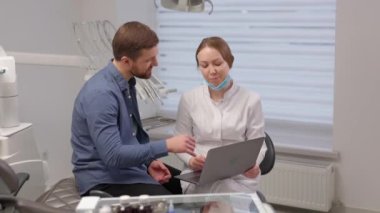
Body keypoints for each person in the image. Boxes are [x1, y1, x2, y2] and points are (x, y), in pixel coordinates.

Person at [71, 21, 196, 197]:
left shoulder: (127, 82)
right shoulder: (101, 94)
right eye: (149, 60)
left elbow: (130, 139)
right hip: (104, 178)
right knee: (171, 206)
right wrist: (167, 145)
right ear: (126, 61)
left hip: (128, 169)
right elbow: (113, 155)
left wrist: (148, 162)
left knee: (191, 188)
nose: (157, 63)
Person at [175, 36, 267, 194]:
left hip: (238, 178)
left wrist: (253, 165)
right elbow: (179, 141)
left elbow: (258, 144)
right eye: (204, 65)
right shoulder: (189, 99)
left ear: (229, 62)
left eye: (217, 63)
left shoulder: (251, 100)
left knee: (223, 191)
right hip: (199, 176)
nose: (212, 71)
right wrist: (190, 160)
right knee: (219, 197)